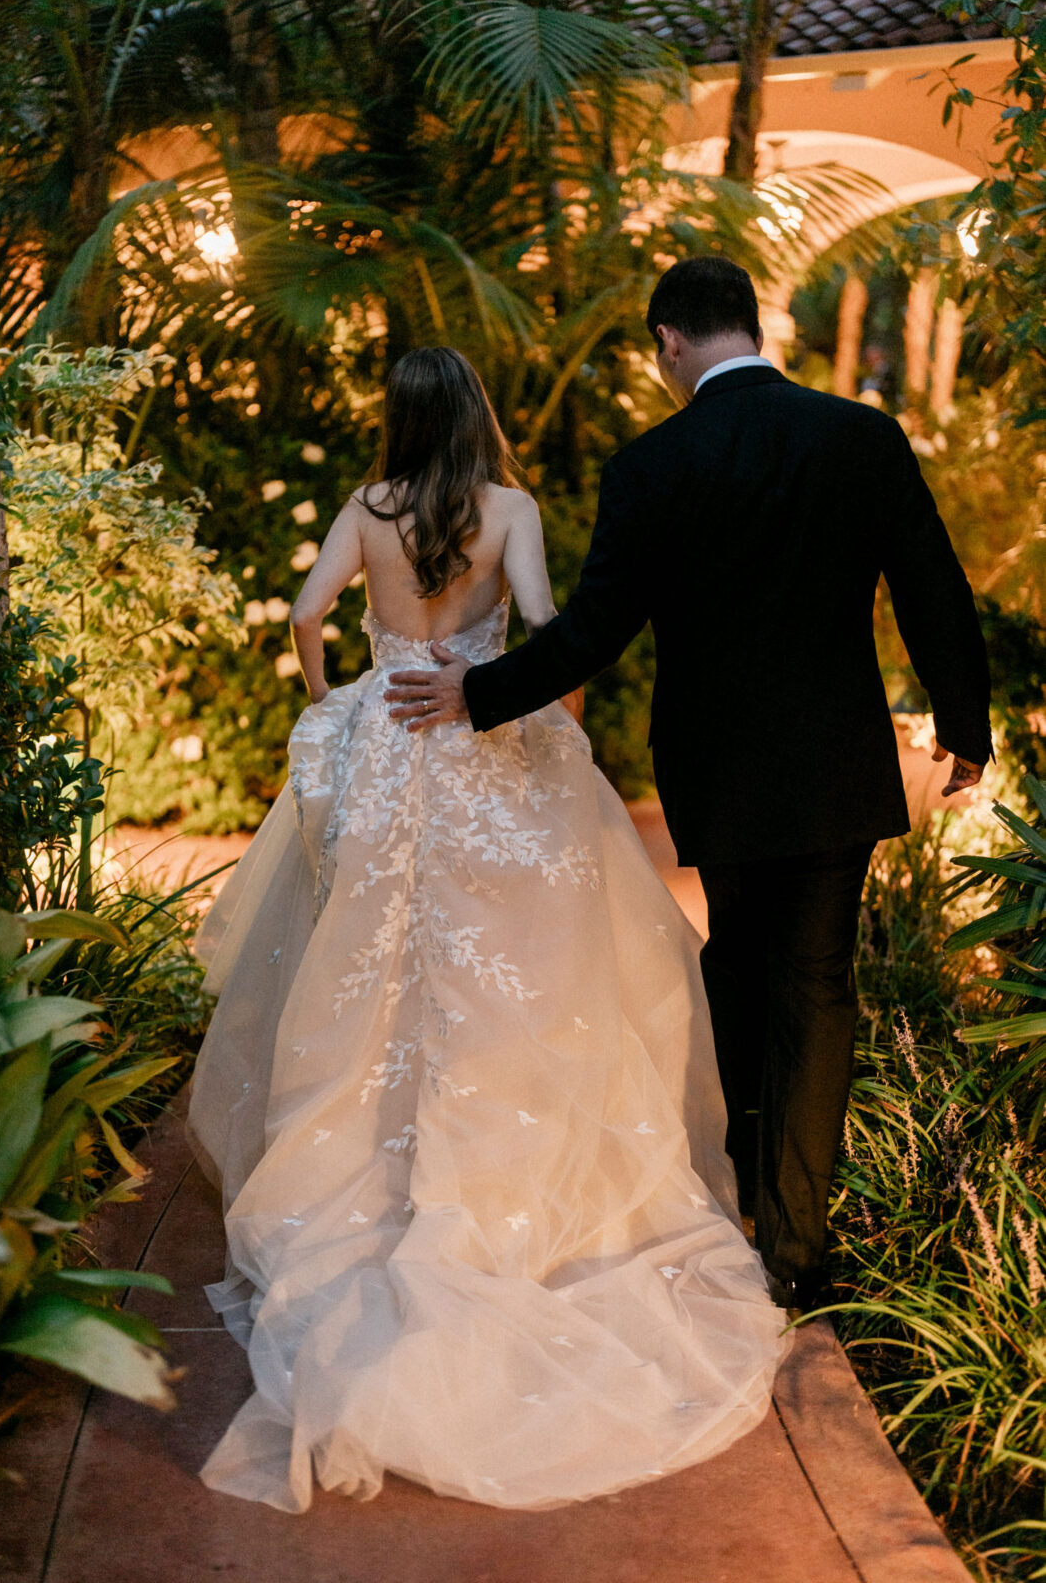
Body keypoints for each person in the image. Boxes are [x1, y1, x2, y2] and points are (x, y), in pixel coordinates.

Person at [184, 344, 793, 1515]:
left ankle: (362, 1145)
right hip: (486, 743)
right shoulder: (508, 506)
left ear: (398, 418)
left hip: (388, 749)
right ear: (475, 413)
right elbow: (553, 634)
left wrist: (340, 704)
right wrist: (537, 725)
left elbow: (311, 613)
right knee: (518, 966)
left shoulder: (367, 507)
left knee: (364, 955)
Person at [386, 257, 994, 1314]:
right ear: (749, 326)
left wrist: (474, 693)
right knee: (816, 981)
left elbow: (590, 635)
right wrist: (963, 729)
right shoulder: (858, 437)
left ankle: (733, 1181)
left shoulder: (652, 464)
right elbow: (931, 590)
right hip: (832, 765)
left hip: (718, 769)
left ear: (668, 340)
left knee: (736, 959)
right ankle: (794, 1247)